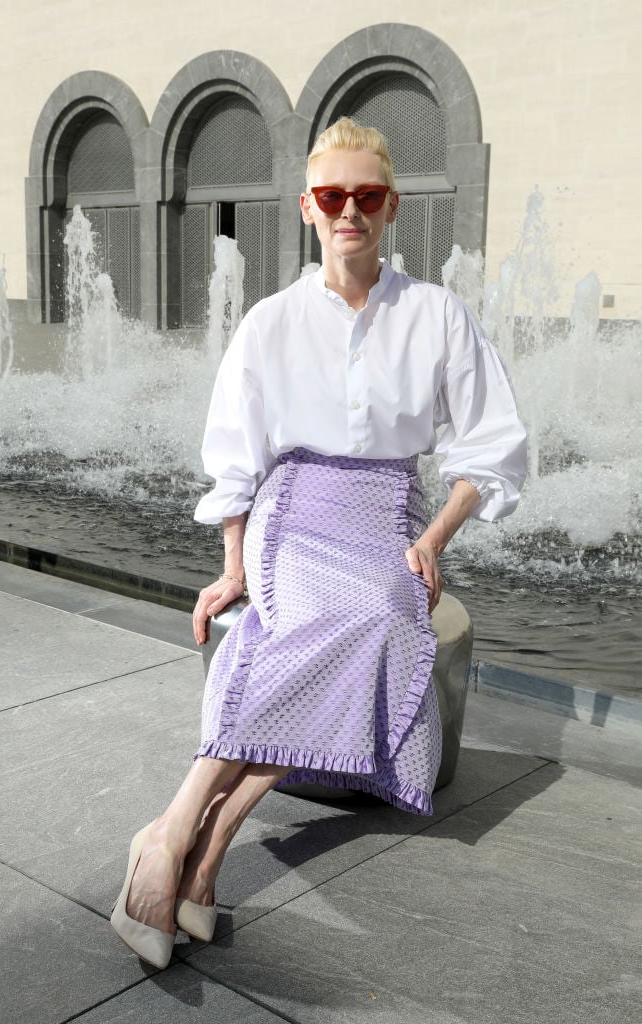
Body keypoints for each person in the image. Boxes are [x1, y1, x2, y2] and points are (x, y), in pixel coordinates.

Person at [110, 117, 527, 969]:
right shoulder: (269, 321)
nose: (350, 212)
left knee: (382, 616)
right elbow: (236, 455)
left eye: (366, 196)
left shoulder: (438, 315)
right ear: (308, 206)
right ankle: (180, 827)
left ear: (391, 207)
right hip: (292, 514)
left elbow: (494, 446)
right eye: (333, 196)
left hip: (384, 518)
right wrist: (232, 568)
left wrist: (435, 539)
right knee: (323, 623)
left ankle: (195, 840)